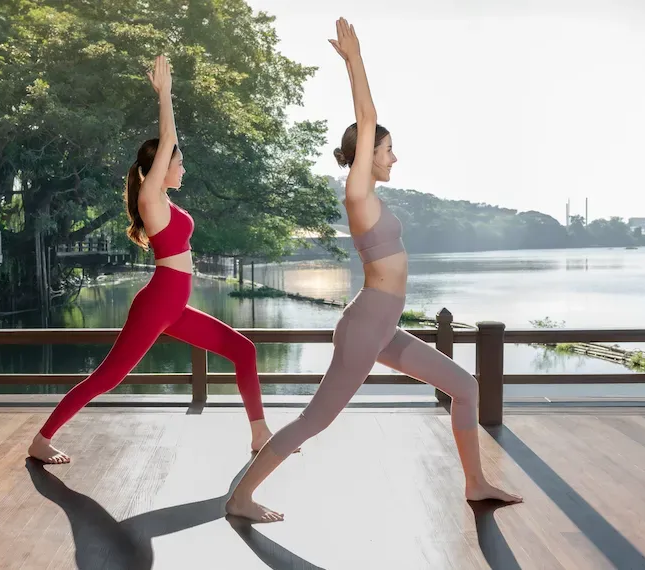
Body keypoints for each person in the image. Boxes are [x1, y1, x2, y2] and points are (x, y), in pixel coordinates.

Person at [225, 18, 523, 523]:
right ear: (366, 154)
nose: (394, 157)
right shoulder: (358, 192)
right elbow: (367, 117)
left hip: (384, 326)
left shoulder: (374, 197)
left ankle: (475, 484)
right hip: (366, 326)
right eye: (387, 150)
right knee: (315, 420)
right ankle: (240, 497)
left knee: (466, 387)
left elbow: (370, 128)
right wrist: (354, 60)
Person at [28, 55, 278, 464]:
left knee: (243, 350)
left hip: (174, 306)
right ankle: (42, 439)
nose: (183, 168)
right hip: (158, 303)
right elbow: (168, 136)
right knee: (108, 377)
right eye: (178, 162)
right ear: (160, 166)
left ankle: (259, 433)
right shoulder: (150, 199)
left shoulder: (165, 202)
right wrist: (165, 95)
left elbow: (170, 149)